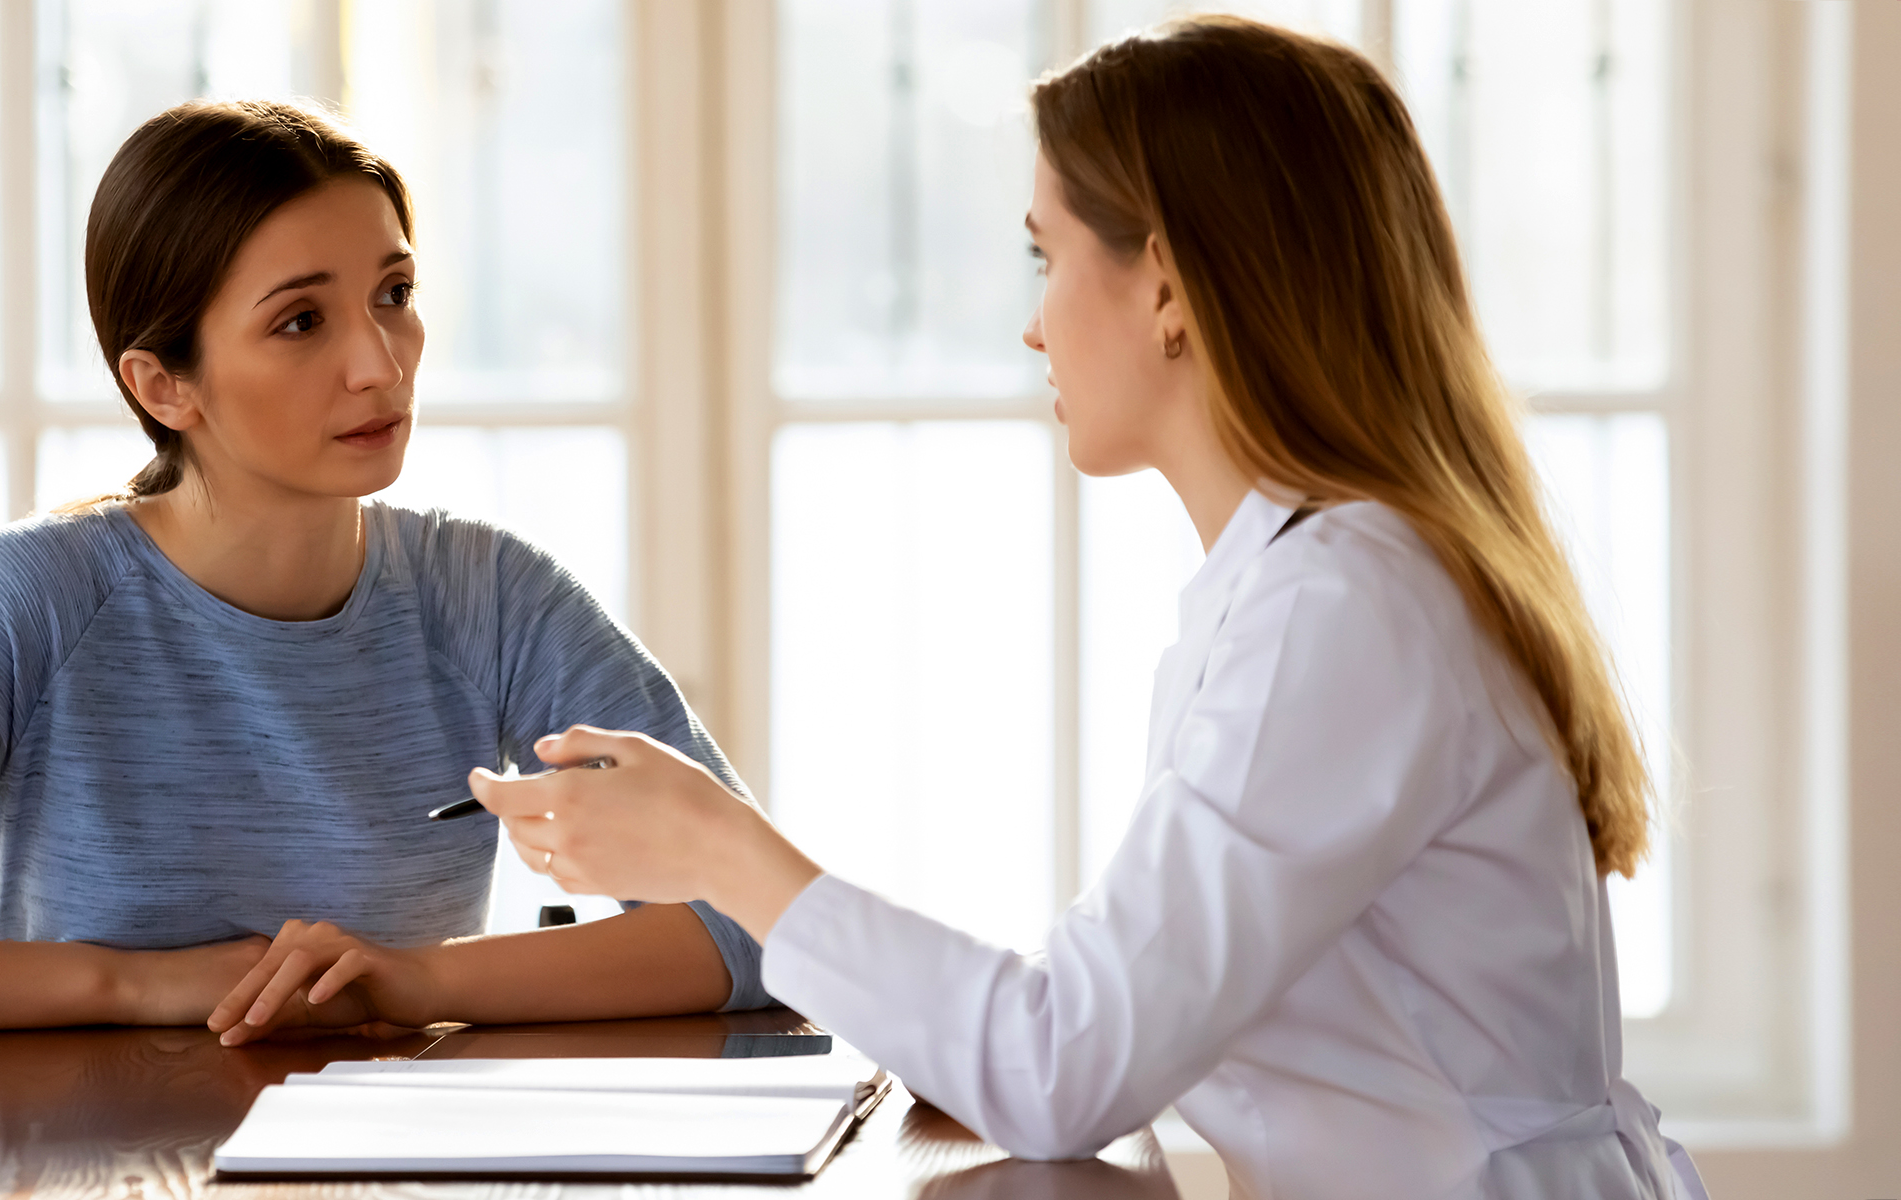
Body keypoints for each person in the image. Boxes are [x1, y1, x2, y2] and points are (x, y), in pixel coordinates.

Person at [451, 17, 1708, 1200]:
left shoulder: (1345, 605)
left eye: (1048, 258)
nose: (1032, 324)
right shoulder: (1310, 578)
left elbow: (1062, 1071)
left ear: (1166, 285)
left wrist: (724, 853)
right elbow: (1093, 1023)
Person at [0, 99, 770, 1042]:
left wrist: (410, 979)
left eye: (393, 292)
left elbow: (762, 927)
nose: (380, 365)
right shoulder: (22, 607)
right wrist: (147, 984)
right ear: (164, 385)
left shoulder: (491, 596)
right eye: (300, 321)